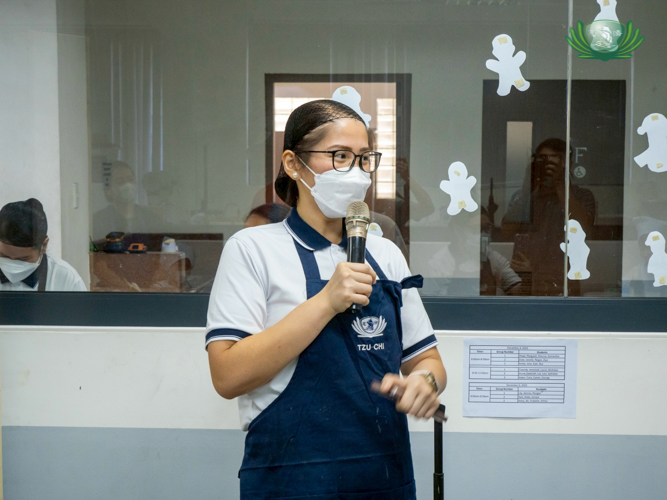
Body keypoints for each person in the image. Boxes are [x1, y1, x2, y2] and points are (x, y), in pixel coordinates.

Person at [206, 100, 446, 499]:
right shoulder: (253, 249)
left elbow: (426, 359)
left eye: (363, 158)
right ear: (293, 163)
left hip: (383, 476)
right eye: (338, 156)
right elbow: (227, 375)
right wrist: (325, 302)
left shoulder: (385, 254)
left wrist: (425, 382)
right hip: (290, 479)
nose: (353, 172)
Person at [502, 138, 596, 295]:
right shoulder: (524, 197)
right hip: (527, 280)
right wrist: (528, 187)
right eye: (542, 161)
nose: (548, 166)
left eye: (555, 160)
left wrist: (560, 183)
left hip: (564, 282)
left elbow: (583, 229)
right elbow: (505, 233)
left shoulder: (581, 196)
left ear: (567, 164)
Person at [0, 199, 86, 291]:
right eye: (3, 256)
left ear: (44, 246)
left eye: (22, 259)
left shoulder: (67, 280)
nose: (12, 264)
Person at [92, 161, 166, 240]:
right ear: (108, 190)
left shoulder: (150, 218)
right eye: (120, 181)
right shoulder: (98, 221)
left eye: (130, 179)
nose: (128, 185)